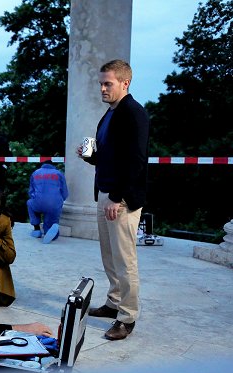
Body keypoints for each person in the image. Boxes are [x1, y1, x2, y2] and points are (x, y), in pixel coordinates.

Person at [76, 59, 149, 341]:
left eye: (108, 83)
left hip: (121, 200)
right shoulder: (110, 114)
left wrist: (117, 198)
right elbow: (108, 157)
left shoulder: (134, 113)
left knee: (124, 259)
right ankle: (114, 301)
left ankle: (127, 317)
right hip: (106, 194)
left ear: (124, 83)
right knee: (109, 256)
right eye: (101, 84)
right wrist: (89, 156)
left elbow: (136, 162)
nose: (103, 88)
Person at [27, 160, 69, 244]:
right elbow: (65, 192)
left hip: (38, 202)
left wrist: (36, 198)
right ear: (52, 165)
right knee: (51, 220)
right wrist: (60, 201)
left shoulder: (35, 173)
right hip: (54, 203)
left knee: (30, 203)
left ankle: (37, 229)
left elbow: (31, 191)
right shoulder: (58, 173)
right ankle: (49, 231)